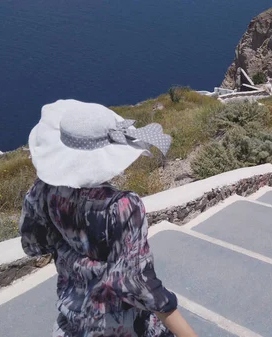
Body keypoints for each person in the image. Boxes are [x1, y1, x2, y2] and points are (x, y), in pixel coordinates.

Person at [18, 99, 197, 337]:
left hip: (73, 318)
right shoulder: (122, 206)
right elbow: (135, 282)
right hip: (117, 326)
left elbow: (33, 245)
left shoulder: (43, 190)